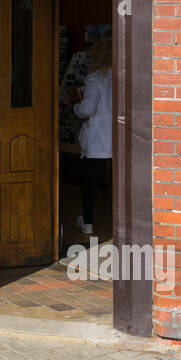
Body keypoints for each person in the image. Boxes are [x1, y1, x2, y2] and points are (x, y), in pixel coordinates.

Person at [72, 36, 113, 236]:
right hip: (117, 136)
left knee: (91, 181)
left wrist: (75, 107)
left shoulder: (96, 78)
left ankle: (87, 222)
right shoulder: (120, 76)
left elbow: (88, 109)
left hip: (98, 138)